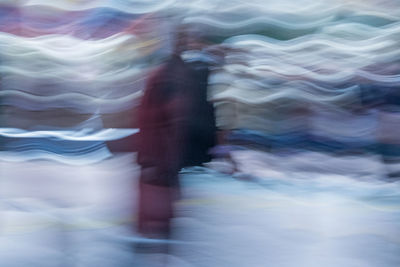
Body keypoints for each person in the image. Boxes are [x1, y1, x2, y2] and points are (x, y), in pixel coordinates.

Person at [135, 25, 217, 240]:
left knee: (158, 194)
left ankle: (155, 230)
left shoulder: (167, 73)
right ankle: (158, 230)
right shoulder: (174, 74)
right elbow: (175, 117)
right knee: (162, 194)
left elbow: (170, 116)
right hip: (164, 149)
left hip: (160, 149)